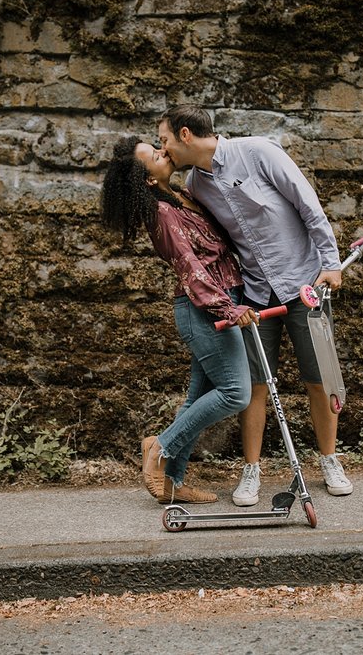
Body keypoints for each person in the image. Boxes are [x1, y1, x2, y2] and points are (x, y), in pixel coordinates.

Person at [157, 104, 353, 507]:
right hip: (254, 293)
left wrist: (331, 262)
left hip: (304, 283)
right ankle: (251, 471)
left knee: (319, 377)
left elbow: (306, 203)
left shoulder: (259, 152)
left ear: (186, 135)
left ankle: (330, 460)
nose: (165, 149)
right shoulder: (195, 185)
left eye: (164, 140)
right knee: (256, 386)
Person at [100, 136, 259, 505]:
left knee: (198, 397)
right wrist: (226, 308)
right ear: (147, 181)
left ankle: (173, 480)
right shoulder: (162, 212)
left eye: (156, 146)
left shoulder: (183, 197)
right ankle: (159, 448)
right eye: (154, 156)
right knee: (236, 392)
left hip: (222, 298)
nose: (162, 152)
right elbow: (189, 266)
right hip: (203, 308)